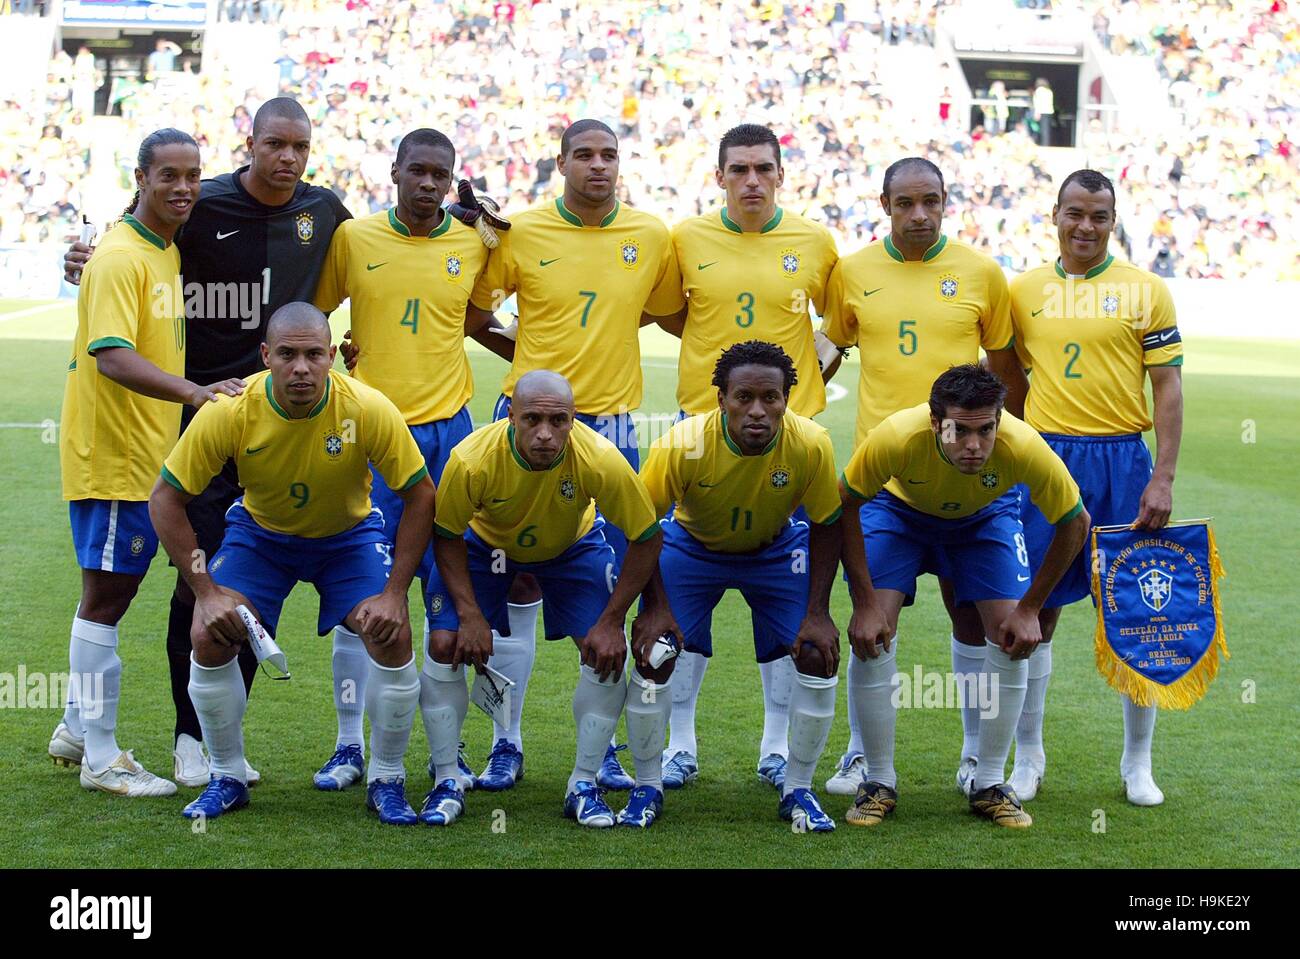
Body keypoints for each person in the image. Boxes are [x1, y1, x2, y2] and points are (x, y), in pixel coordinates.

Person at [63, 97, 355, 790]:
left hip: (276, 430)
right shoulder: (198, 211)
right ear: (247, 144)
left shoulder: (325, 212)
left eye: (300, 147)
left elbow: (383, 252)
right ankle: (182, 739)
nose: (287, 158)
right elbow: (135, 233)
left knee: (233, 578)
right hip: (194, 426)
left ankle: (93, 725)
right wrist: (91, 248)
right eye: (274, 144)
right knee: (184, 583)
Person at [148, 304, 435, 824]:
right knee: (208, 632)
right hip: (262, 538)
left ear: (331, 357)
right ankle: (227, 774)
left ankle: (387, 778)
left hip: (347, 537)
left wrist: (394, 592)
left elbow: (420, 495)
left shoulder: (367, 407)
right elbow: (165, 497)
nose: (300, 367)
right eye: (287, 355)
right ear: (266, 357)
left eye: (312, 354)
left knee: (390, 632)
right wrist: (207, 589)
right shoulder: (229, 410)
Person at [462, 120, 682, 791]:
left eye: (608, 155)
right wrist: (531, 376)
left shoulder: (650, 236)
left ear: (622, 163)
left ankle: (602, 745)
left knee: (622, 576)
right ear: (560, 163)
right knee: (519, 577)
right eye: (583, 155)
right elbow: (476, 316)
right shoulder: (521, 231)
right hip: (524, 423)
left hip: (614, 426)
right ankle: (508, 739)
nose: (596, 165)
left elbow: (666, 312)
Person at [819, 156, 1028, 796]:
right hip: (888, 488)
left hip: (971, 488)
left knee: (983, 625)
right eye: (905, 202)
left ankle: (976, 763)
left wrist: (1000, 451)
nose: (919, 214)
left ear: (945, 201)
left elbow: (1008, 374)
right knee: (872, 624)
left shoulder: (982, 274)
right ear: (884, 203)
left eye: (930, 201)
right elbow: (829, 349)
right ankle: (862, 758)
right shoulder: (851, 273)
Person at [49, 128, 245, 796]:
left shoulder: (160, 250)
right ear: (141, 177)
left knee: (119, 589)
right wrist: (194, 393)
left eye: (193, 174)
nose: (184, 187)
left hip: (145, 455)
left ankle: (78, 726)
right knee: (106, 596)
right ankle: (101, 757)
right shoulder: (120, 256)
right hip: (116, 453)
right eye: (169, 175)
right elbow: (111, 353)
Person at [650, 124, 841, 792]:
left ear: (781, 174)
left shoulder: (815, 242)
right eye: (740, 169)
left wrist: (804, 394)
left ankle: (778, 746)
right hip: (702, 435)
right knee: (683, 596)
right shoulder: (687, 239)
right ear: (720, 175)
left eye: (764, 168)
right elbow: (676, 314)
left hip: (788, 442)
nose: (752, 179)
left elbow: (837, 327)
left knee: (781, 601)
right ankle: (678, 745)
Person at [312, 127, 501, 793]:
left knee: (449, 594)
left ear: (452, 182)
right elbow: (314, 312)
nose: (428, 183)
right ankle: (347, 746)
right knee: (361, 588)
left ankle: (447, 756)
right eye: (416, 170)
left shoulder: (472, 242)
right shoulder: (354, 238)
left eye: (439, 175)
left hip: (451, 434)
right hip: (370, 434)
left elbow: (481, 317)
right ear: (394, 171)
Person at [839, 364, 1089, 829]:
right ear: (935, 423)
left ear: (998, 421)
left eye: (985, 431)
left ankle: (990, 782)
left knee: (1012, 638)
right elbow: (846, 502)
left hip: (983, 516)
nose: (973, 445)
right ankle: (877, 781)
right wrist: (863, 601)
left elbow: (1076, 522)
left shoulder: (1023, 444)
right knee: (875, 635)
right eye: (958, 431)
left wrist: (1031, 607)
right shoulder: (895, 436)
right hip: (899, 512)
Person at [1008, 169, 1184, 806]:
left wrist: (1162, 476)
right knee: (1036, 609)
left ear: (1113, 220)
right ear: (1054, 214)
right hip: (1048, 462)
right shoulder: (1023, 290)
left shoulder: (1146, 291)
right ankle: (1029, 757)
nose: (1085, 226)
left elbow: (1166, 386)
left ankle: (1138, 763)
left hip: (1123, 462)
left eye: (1099, 216)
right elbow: (1006, 372)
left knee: (1140, 616)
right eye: (1074, 213)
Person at [426, 370, 664, 827]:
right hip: (484, 546)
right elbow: (446, 533)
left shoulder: (600, 458)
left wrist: (613, 620)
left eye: (558, 421)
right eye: (532, 418)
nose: (545, 434)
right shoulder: (471, 458)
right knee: (444, 644)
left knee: (604, 653)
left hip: (569, 548)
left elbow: (646, 536)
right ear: (510, 416)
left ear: (574, 421)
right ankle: (447, 778)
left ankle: (583, 783)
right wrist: (472, 614)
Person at [637, 341, 844, 830]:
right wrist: (654, 608)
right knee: (655, 651)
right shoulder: (682, 443)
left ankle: (796, 785)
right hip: (692, 545)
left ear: (787, 399)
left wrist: (818, 611)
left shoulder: (811, 443)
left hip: (773, 549)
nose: (757, 410)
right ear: (721, 399)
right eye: (743, 397)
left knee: (815, 650)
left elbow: (828, 524)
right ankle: (653, 778)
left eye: (771, 398)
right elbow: (643, 526)